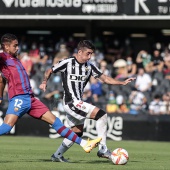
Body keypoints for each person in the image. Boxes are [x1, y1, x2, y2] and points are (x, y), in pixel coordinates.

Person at [0, 33, 102, 159]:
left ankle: (85, 144)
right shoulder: (3, 57)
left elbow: (2, 80)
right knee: (6, 128)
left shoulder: (15, 59)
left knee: (56, 122)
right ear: (5, 46)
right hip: (19, 98)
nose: (17, 48)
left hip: (31, 99)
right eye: (15, 46)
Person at [39, 40, 136, 162]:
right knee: (102, 115)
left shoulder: (89, 66)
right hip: (71, 102)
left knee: (77, 132)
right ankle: (103, 149)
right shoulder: (67, 63)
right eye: (88, 53)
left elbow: (104, 78)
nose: (90, 56)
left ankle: (57, 155)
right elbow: (49, 70)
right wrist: (44, 82)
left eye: (91, 54)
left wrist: (122, 82)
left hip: (76, 103)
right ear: (80, 52)